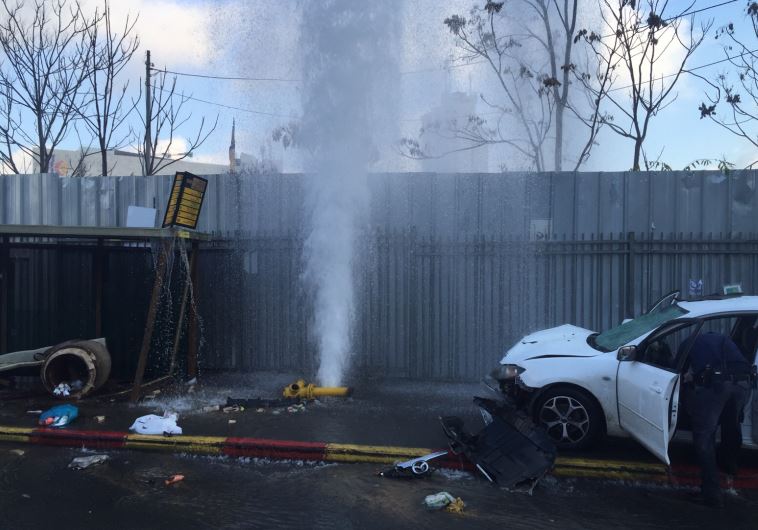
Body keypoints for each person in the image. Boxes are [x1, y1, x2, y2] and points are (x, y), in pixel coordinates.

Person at [681, 331, 753, 507]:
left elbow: (678, 372)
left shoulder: (687, 343)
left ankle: (711, 494)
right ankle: (729, 464)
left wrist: (690, 380)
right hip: (743, 383)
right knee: (731, 423)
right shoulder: (724, 340)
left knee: (704, 436)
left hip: (718, 385)